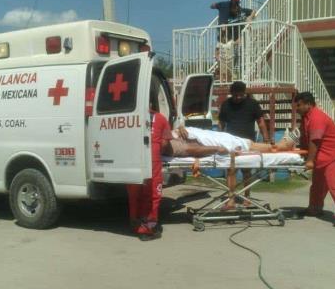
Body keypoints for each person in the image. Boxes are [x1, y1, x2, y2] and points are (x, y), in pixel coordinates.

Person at [295, 92, 335, 227]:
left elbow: (314, 141)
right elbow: (304, 137)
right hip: (321, 156)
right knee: (317, 185)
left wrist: (309, 160)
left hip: (333, 155)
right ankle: (314, 208)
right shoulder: (305, 117)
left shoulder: (317, 117)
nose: (296, 109)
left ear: (308, 104)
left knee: (334, 184)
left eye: (299, 105)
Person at [126, 86, 172, 241]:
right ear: (152, 103)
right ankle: (148, 227)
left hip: (132, 159)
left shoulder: (129, 118)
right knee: (153, 194)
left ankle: (134, 222)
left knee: (134, 193)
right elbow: (165, 143)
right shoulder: (160, 118)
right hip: (152, 160)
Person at [218, 81, 270, 206]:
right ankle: (231, 198)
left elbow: (261, 122)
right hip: (231, 143)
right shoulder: (226, 105)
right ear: (231, 93)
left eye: (241, 95)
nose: (238, 98)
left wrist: (266, 139)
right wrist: (219, 139)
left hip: (248, 143)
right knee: (231, 170)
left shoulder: (252, 104)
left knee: (247, 171)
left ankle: (247, 197)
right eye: (236, 95)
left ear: (244, 93)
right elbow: (221, 124)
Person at [162, 126, 295, 157]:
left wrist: (180, 127)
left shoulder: (165, 136)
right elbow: (190, 149)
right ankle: (281, 147)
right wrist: (215, 149)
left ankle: (280, 145)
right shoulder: (168, 145)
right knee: (247, 144)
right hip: (211, 142)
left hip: (210, 136)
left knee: (246, 142)